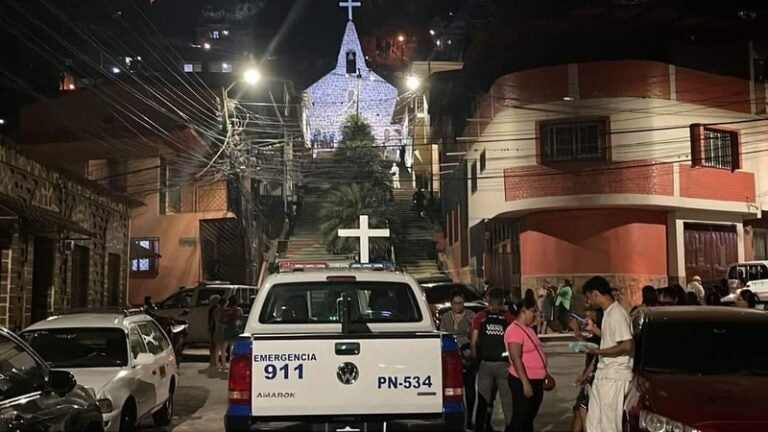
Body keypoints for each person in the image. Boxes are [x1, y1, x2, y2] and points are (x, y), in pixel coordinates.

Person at [581, 276, 634, 432]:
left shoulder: (617, 313)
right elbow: (611, 338)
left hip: (614, 376)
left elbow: (626, 344)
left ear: (596, 294)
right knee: (594, 423)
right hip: (604, 375)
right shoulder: (609, 313)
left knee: (609, 425)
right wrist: (594, 329)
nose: (589, 302)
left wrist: (597, 351)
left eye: (589, 297)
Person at [471, 288, 515, 432]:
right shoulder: (509, 318)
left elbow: (473, 342)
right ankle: (509, 428)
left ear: (488, 301)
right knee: (507, 403)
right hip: (503, 365)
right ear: (502, 302)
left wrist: (475, 360)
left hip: (486, 364)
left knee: (483, 400)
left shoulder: (480, 317)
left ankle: (480, 427)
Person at [504, 296, 547, 432]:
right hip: (523, 379)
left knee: (528, 418)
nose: (535, 315)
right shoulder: (514, 330)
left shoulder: (528, 329)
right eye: (532, 311)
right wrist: (525, 382)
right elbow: (515, 357)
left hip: (536, 379)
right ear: (523, 311)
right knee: (521, 418)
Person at [439, 291, 477, 428]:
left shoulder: (471, 316)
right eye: (455, 303)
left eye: (460, 303)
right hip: (452, 357)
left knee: (470, 388)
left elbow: (474, 334)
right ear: (451, 304)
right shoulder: (446, 317)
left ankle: (470, 418)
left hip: (467, 354)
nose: (458, 306)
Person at [571, 308, 603, 432]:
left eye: (590, 313)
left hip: (596, 378)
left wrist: (576, 331)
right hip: (590, 376)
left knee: (582, 410)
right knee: (579, 410)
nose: (586, 317)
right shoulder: (595, 334)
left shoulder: (600, 335)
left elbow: (592, 353)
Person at [222, 295, 244, 360]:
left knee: (224, 347)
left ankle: (223, 363)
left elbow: (223, 320)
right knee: (232, 346)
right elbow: (241, 319)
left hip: (227, 329)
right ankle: (232, 359)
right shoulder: (239, 310)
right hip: (235, 329)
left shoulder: (226, 311)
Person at [212, 296, 228, 371]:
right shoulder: (225, 312)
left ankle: (217, 364)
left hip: (217, 330)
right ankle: (224, 364)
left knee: (217, 349)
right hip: (224, 331)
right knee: (223, 349)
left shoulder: (215, 311)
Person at [207, 294, 222, 369]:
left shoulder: (212, 308)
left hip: (213, 328)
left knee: (213, 345)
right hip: (215, 328)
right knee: (216, 346)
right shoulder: (216, 308)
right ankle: (215, 363)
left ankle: (212, 362)